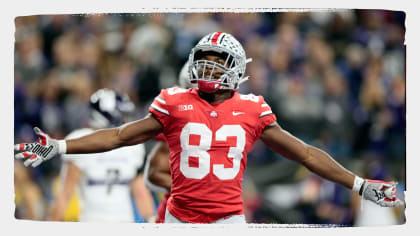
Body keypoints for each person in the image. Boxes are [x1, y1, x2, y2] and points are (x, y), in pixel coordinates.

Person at [15, 32, 404, 224]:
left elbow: (303, 152)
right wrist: (61, 148)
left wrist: (359, 185)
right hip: (179, 219)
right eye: (205, 60)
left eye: (218, 61)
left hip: (229, 220)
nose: (208, 67)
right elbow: (119, 136)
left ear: (236, 68)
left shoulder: (253, 108)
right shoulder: (174, 101)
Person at [47, 88, 155, 222]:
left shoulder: (133, 144)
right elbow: (65, 194)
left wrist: (151, 220)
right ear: (107, 114)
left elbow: (140, 191)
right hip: (93, 221)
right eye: (121, 113)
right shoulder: (81, 140)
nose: (125, 119)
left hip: (124, 221)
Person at [143, 62, 192, 223]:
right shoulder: (180, 123)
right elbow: (155, 173)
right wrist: (193, 191)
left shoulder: (229, 119)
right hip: (177, 217)